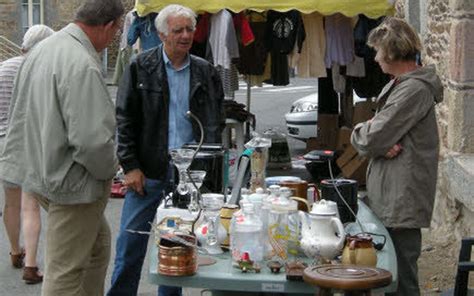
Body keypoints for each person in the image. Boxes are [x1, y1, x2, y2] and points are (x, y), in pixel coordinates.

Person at [0, 0, 123, 295]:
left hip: (43, 171)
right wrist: (112, 169)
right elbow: (92, 143)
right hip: (71, 183)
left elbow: (21, 115)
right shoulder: (80, 61)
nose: (115, 38)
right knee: (64, 273)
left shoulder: (45, 48)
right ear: (107, 26)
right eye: (117, 30)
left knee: (97, 247)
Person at [107, 4, 225, 296]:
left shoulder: (205, 71)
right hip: (147, 172)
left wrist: (207, 171)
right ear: (161, 35)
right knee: (130, 244)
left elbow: (214, 122)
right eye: (178, 30)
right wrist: (130, 165)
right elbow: (124, 119)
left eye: (189, 29)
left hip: (188, 176)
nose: (185, 36)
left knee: (178, 248)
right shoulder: (140, 66)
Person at [351, 17, 443, 296]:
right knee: (391, 274)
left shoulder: (412, 89)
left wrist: (363, 132)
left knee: (401, 280)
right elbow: (379, 138)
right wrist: (379, 140)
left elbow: (371, 138)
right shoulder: (404, 85)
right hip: (393, 194)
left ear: (391, 52)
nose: (376, 58)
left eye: (378, 50)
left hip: (401, 198)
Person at [0, 24, 54, 284]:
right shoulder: (40, 70)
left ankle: (14, 250)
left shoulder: (4, 67)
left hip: (2, 141)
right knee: (30, 205)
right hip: (29, 141)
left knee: (10, 202)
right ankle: (31, 265)